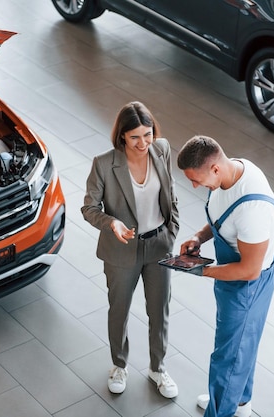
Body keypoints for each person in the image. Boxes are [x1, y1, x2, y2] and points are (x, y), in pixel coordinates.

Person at [81, 101, 180, 398]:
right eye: (135, 136)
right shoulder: (104, 163)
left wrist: (171, 234)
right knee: (120, 310)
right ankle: (119, 365)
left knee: (159, 310)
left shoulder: (161, 150)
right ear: (122, 135)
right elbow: (88, 207)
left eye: (147, 134)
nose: (143, 143)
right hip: (122, 249)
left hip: (159, 245)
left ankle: (158, 368)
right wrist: (111, 223)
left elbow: (172, 196)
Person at [177, 135, 274, 417]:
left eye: (197, 180)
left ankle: (220, 411)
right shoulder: (231, 172)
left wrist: (199, 269)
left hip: (248, 287)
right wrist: (199, 236)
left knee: (228, 358)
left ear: (215, 169)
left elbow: (249, 270)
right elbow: (222, 218)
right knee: (240, 348)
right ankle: (241, 404)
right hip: (231, 279)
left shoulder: (252, 210)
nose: (196, 186)